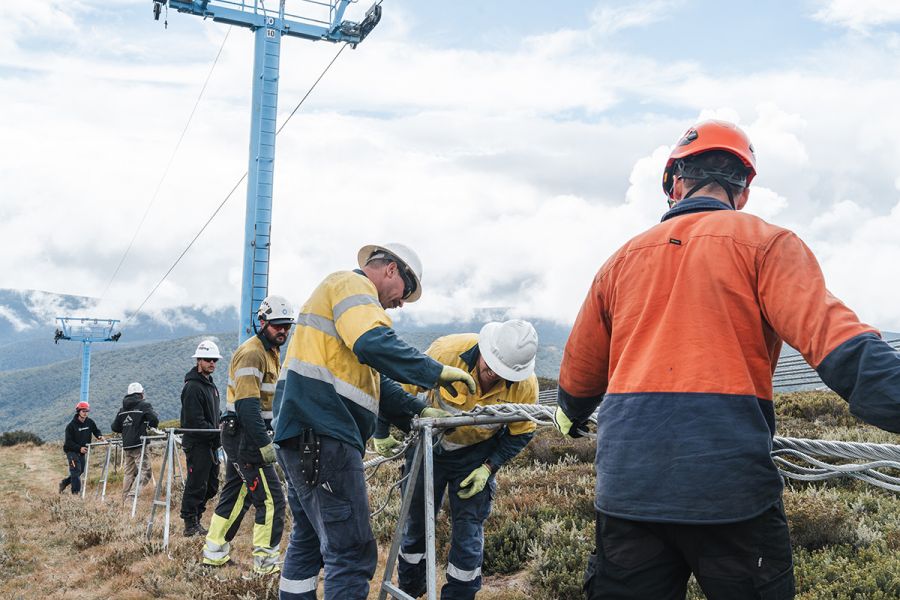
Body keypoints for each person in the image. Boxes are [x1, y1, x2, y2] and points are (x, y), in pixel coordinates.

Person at [553, 119, 900, 600]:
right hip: (730, 492)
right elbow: (839, 344)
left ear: (675, 183)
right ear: (743, 192)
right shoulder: (766, 244)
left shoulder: (619, 262)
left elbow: (577, 379)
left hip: (629, 489)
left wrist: (569, 418)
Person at [273, 242, 477, 600]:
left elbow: (373, 381)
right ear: (391, 270)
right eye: (406, 292)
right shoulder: (351, 287)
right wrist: (435, 372)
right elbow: (374, 342)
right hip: (326, 435)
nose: (401, 302)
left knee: (307, 543)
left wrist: (416, 410)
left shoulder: (336, 304)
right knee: (351, 554)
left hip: (300, 436)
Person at [373, 319, 540, 600]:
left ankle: (460, 594)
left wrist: (489, 468)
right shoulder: (445, 352)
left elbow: (522, 431)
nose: (493, 377)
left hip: (475, 456)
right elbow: (397, 391)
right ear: (484, 349)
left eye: (503, 374)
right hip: (428, 447)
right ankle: (411, 587)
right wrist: (380, 430)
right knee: (416, 523)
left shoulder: (525, 385)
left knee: (469, 531)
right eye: (490, 368)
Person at [202, 296, 293, 574]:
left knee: (236, 494)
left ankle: (214, 553)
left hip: (242, 434)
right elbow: (247, 405)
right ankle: (265, 564)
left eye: (287, 326)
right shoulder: (253, 352)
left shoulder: (270, 351)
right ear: (262, 322)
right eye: (278, 325)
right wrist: (265, 444)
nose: (284, 331)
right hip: (246, 436)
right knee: (271, 500)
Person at [180, 340, 224, 537]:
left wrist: (220, 426)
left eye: (214, 360)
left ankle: (197, 516)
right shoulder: (193, 387)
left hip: (211, 443)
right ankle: (190, 523)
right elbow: (194, 421)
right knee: (196, 483)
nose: (212, 363)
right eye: (208, 360)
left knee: (212, 485)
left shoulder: (210, 385)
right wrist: (216, 432)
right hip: (198, 444)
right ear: (199, 360)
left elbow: (214, 413)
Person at [111, 382, 159, 503]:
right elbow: (154, 419)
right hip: (139, 443)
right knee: (146, 472)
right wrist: (148, 424)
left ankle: (124, 499)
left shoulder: (122, 409)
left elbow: (115, 427)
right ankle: (131, 497)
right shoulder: (144, 405)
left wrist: (127, 427)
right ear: (140, 394)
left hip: (127, 445)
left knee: (129, 473)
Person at [59, 401, 105, 495]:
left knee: (80, 471)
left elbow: (96, 430)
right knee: (76, 471)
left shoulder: (90, 422)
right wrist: (79, 448)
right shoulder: (71, 426)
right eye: (83, 411)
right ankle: (75, 495)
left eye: (87, 411)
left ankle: (64, 483)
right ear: (78, 411)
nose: (85, 413)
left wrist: (99, 436)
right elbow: (68, 442)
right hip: (71, 451)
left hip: (82, 451)